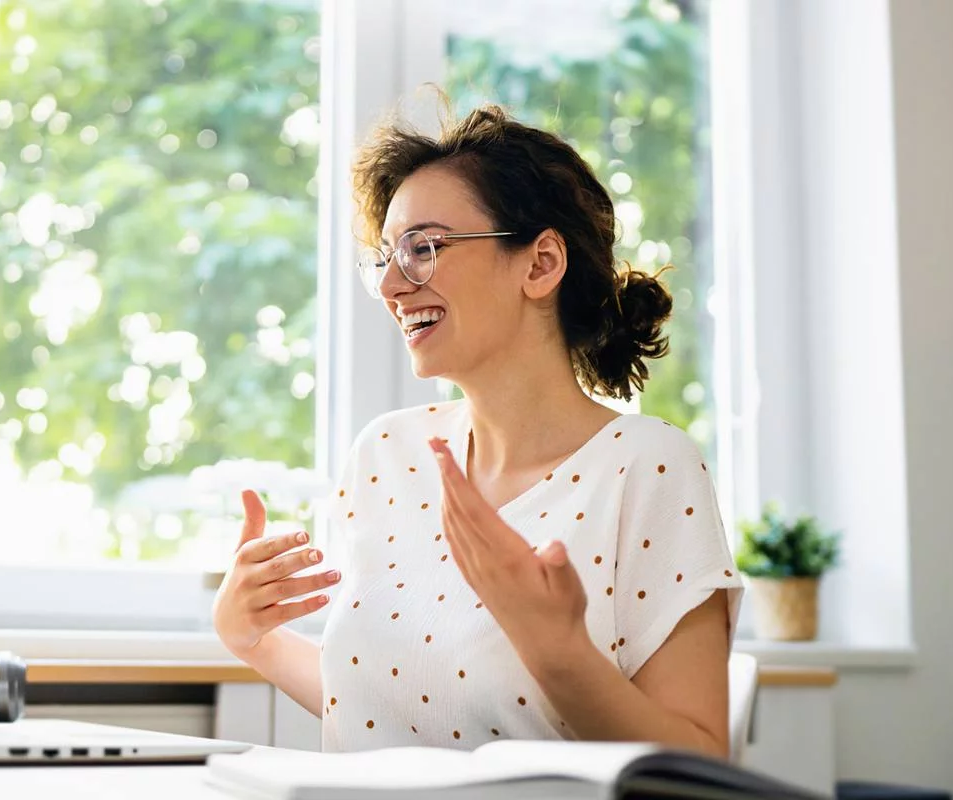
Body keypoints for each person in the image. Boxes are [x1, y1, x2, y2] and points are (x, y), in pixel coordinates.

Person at [210, 104, 743, 758]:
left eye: (423, 249)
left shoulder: (649, 467)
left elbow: (701, 766)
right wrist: (252, 640)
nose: (388, 285)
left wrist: (558, 651)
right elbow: (398, 705)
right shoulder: (385, 456)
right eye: (384, 258)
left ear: (541, 264)